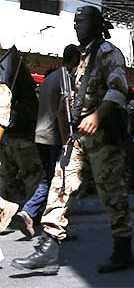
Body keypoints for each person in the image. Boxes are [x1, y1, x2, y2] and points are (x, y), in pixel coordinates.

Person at [12, 6, 134, 275]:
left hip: (104, 136)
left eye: (83, 21)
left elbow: (118, 89)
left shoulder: (108, 53)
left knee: (111, 194)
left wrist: (98, 116)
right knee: (60, 184)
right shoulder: (81, 58)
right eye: (75, 21)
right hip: (79, 136)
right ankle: (49, 247)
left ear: (98, 24)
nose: (77, 26)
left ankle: (123, 249)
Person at [13, 45, 81, 239]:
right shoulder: (66, 79)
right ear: (75, 59)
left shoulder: (50, 78)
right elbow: (62, 112)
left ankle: (30, 212)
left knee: (49, 179)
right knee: (60, 182)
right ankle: (54, 225)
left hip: (41, 135)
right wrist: (67, 140)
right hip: (54, 137)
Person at [0, 47, 42, 203]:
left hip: (10, 140)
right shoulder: (27, 97)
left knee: (6, 178)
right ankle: (31, 213)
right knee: (33, 177)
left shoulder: (11, 92)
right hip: (24, 141)